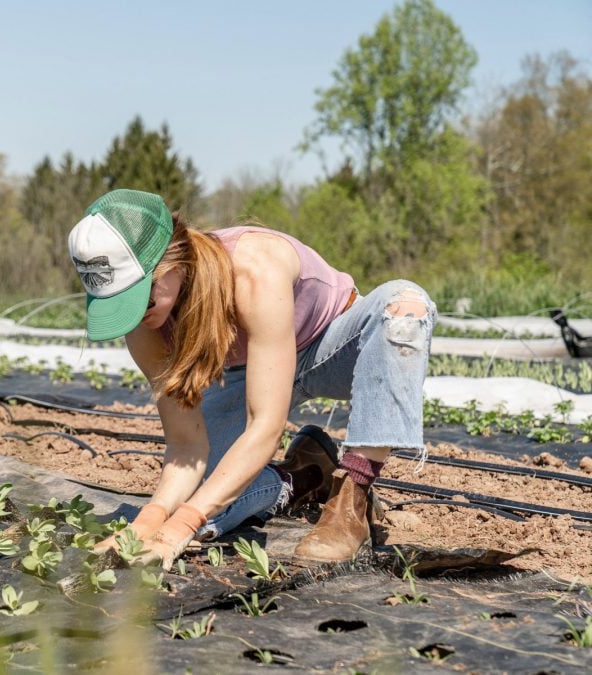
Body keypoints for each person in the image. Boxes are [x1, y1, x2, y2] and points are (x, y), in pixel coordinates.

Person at [67, 189, 437, 570]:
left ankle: (353, 495)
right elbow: (187, 446)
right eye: (119, 305)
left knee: (405, 307)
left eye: (141, 298)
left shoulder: (252, 268)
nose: (136, 316)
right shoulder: (145, 326)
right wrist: (150, 521)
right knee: (206, 501)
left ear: (172, 261)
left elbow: (265, 426)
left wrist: (182, 525)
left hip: (333, 349)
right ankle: (301, 475)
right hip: (251, 372)